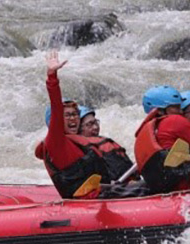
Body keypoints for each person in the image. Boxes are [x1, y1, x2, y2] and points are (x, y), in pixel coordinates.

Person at [34, 52, 134, 199]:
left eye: (75, 114)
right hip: (91, 201)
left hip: (104, 195)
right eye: (67, 115)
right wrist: (52, 75)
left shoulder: (78, 142)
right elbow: (56, 105)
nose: (73, 118)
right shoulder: (55, 143)